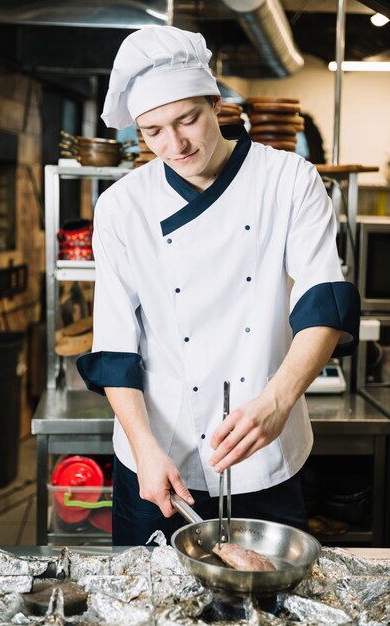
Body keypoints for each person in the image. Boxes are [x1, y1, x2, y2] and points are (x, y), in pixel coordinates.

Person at [77, 25, 360, 546]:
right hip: (157, 453)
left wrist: (278, 402)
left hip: (265, 449)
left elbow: (322, 303)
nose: (175, 144)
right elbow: (115, 346)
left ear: (215, 102)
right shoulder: (121, 206)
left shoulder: (289, 179)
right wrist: (142, 448)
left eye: (187, 120)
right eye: (152, 131)